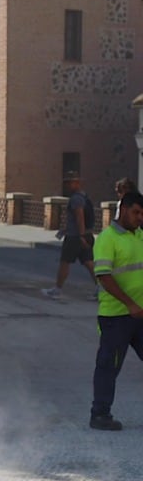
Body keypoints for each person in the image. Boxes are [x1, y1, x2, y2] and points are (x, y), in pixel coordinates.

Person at [88, 190, 143, 430]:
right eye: (136, 212)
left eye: (142, 214)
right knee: (108, 366)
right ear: (123, 209)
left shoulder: (140, 236)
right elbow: (104, 277)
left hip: (140, 315)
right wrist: (129, 303)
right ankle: (99, 415)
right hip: (116, 317)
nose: (140, 218)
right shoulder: (107, 238)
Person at [44, 172, 97, 301]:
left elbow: (80, 217)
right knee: (89, 263)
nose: (67, 185)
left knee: (65, 262)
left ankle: (57, 290)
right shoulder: (85, 197)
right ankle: (101, 288)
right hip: (84, 234)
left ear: (77, 183)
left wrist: (81, 235)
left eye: (69, 182)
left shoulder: (76, 199)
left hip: (75, 237)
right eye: (66, 182)